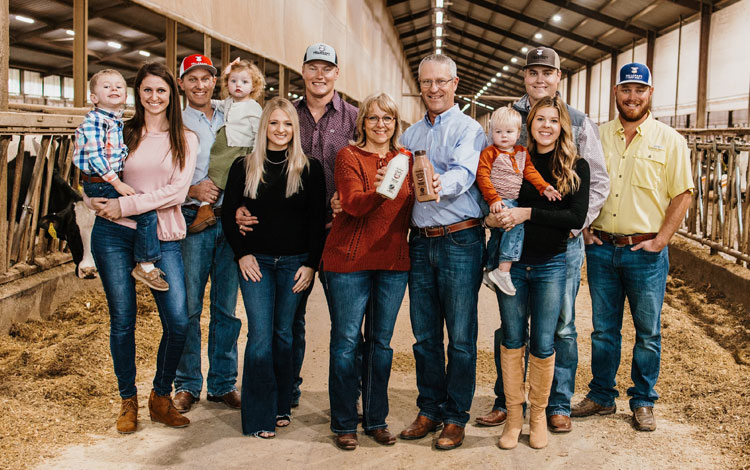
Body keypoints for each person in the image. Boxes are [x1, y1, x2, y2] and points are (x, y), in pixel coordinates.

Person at [476, 46, 609, 434]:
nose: (539, 79)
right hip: (513, 239)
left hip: (560, 244)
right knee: (512, 324)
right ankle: (508, 401)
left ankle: (555, 403)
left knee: (562, 325)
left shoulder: (579, 121)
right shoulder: (507, 118)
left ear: (558, 77)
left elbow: (596, 181)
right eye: (532, 73)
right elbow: (491, 167)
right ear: (524, 77)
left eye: (546, 73)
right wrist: (494, 215)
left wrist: (572, 225)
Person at [572, 63, 693, 432]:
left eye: (639, 89)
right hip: (602, 248)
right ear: (615, 92)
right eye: (626, 89)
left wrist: (661, 240)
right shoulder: (595, 135)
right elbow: (579, 183)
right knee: (603, 329)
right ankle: (602, 395)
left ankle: (642, 400)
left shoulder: (669, 140)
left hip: (646, 253)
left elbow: (683, 194)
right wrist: (585, 228)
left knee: (648, 330)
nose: (632, 96)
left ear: (650, 94)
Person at [236, 42, 359, 408]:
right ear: (302, 72)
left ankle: (347, 398)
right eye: (313, 68)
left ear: (337, 73)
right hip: (296, 238)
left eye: (327, 69)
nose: (320, 75)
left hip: (341, 232)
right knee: (293, 322)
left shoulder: (353, 117)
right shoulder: (286, 114)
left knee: (347, 324)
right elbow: (256, 163)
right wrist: (240, 205)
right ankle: (287, 392)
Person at [89, 62, 199, 434]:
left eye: (161, 90)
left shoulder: (185, 138)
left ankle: (160, 395)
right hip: (113, 234)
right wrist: (95, 197)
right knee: (123, 319)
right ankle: (127, 400)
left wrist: (126, 204)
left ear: (173, 95)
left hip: (163, 237)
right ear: (139, 94)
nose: (154, 97)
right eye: (147, 90)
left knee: (178, 321)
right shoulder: (123, 131)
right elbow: (96, 167)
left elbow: (177, 193)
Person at [487, 95, 590, 449]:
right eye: (539, 120)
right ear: (528, 125)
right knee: (513, 338)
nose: (545, 126)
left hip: (551, 264)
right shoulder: (515, 159)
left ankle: (539, 416)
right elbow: (493, 198)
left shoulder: (576, 166)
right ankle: (514, 419)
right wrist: (495, 216)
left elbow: (574, 218)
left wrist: (527, 214)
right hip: (512, 266)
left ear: (562, 125)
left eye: (552, 120)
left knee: (546, 342)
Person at [222, 97, 326, 438]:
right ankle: (258, 415)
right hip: (257, 264)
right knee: (260, 336)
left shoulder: (309, 168)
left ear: (295, 129)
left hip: (296, 264)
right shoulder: (245, 166)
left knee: (284, 334)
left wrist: (311, 265)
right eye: (274, 123)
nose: (280, 130)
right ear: (264, 126)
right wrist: (242, 254)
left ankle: (282, 403)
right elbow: (228, 213)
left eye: (287, 124)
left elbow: (316, 221)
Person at [397, 53, 485, 450]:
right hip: (420, 241)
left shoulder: (470, 130)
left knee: (462, 336)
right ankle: (429, 408)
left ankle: (455, 416)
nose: (434, 89)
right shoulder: (409, 135)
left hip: (460, 239)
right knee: (424, 334)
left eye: (441, 82)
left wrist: (433, 183)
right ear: (420, 85)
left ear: (455, 83)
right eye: (427, 82)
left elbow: (464, 175)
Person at [322, 93, 413, 450]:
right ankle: (345, 421)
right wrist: (382, 190)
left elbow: (416, 200)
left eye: (387, 119)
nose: (380, 125)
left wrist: (430, 188)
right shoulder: (348, 156)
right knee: (346, 343)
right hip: (348, 261)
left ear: (395, 123)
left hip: (392, 262)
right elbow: (354, 204)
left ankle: (376, 419)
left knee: (380, 344)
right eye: (373, 118)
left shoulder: (405, 159)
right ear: (363, 124)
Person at [173, 54, 243, 413]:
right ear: (182, 83)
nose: (200, 85)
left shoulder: (234, 112)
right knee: (188, 306)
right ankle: (187, 383)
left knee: (226, 307)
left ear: (214, 81)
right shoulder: (175, 121)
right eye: (193, 79)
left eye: (206, 78)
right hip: (193, 221)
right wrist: (191, 192)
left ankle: (222, 382)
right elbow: (164, 173)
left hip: (230, 219)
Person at [73, 69, 168, 291]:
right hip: (103, 182)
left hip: (102, 182)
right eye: (106, 87)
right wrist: (116, 183)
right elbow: (96, 157)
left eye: (118, 86)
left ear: (125, 97)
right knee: (145, 214)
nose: (114, 89)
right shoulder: (95, 122)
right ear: (94, 98)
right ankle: (145, 264)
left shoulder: (115, 121)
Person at [476, 105, 561, 295]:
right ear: (491, 133)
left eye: (509, 131)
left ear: (518, 132)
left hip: (510, 199)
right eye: (498, 132)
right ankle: (503, 271)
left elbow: (530, 172)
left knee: (499, 235)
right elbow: (482, 176)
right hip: (496, 199)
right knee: (515, 225)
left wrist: (543, 187)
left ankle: (490, 268)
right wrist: (493, 199)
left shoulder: (522, 152)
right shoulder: (490, 153)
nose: (503, 136)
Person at [189, 59, 264, 232]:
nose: (238, 85)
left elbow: (259, 134)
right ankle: (206, 207)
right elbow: (216, 104)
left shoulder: (253, 108)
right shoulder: (229, 102)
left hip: (239, 148)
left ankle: (207, 207)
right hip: (225, 145)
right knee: (214, 170)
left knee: (223, 175)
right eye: (233, 81)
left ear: (253, 86)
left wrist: (254, 155)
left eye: (244, 82)